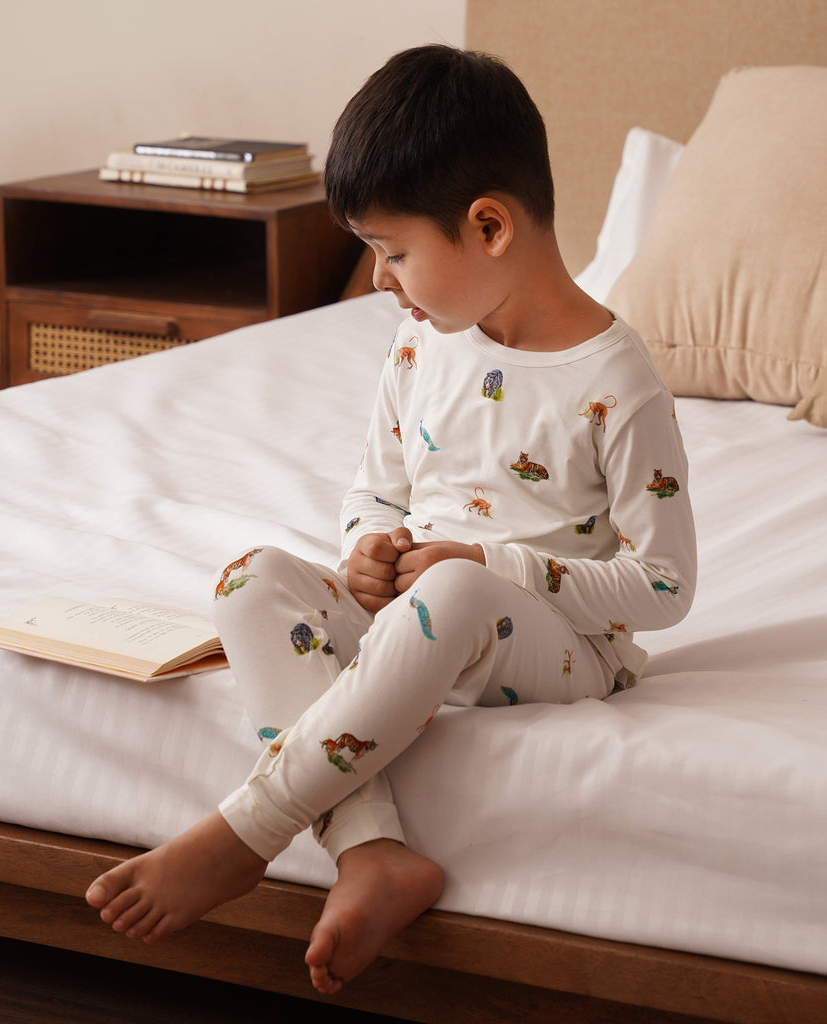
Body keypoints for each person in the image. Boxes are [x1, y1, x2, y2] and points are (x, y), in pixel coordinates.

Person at [85, 43, 696, 995]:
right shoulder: (421, 345)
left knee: (453, 591)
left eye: (394, 251)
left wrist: (489, 566)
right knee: (253, 580)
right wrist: (364, 549)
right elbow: (377, 490)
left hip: (568, 648)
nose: (378, 280)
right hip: (419, 613)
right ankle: (371, 851)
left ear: (488, 226)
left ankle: (249, 830)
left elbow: (664, 588)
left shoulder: (617, 382)